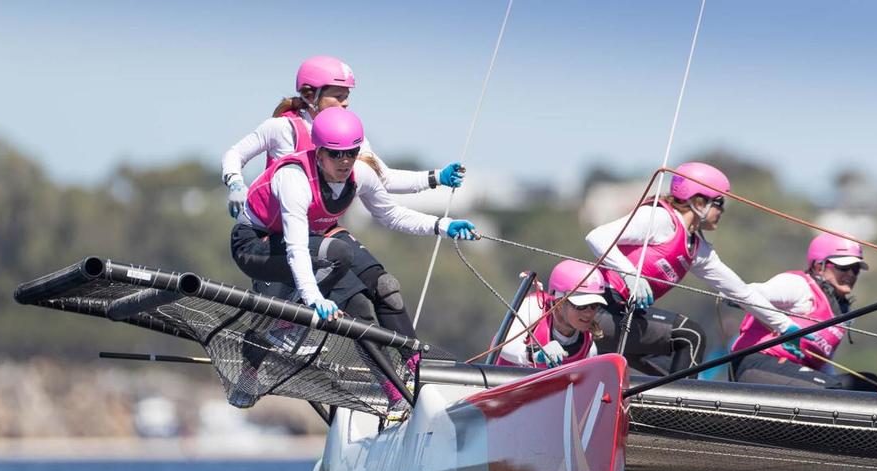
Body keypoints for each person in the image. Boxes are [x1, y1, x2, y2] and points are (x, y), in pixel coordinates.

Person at [226, 107, 476, 409]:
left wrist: (443, 225)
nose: (345, 161)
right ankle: (275, 341)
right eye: (335, 154)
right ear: (319, 153)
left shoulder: (361, 173)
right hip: (256, 244)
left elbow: (391, 214)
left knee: (364, 305)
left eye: (351, 153)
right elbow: (294, 247)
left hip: (315, 244)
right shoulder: (293, 178)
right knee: (336, 254)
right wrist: (312, 297)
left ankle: (400, 392)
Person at [585, 161, 796, 376]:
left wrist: (785, 326)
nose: (722, 210)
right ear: (698, 202)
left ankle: (665, 407)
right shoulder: (660, 219)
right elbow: (597, 237)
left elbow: (741, 292)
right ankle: (682, 407)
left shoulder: (697, 249)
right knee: (690, 335)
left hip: (627, 319)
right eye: (719, 202)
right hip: (597, 311)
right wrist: (630, 275)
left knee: (675, 369)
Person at [222, 55, 464, 219]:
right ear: (309, 95)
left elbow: (384, 179)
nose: (346, 103)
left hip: (318, 229)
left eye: (347, 96)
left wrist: (437, 178)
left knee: (381, 286)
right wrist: (235, 184)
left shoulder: (349, 136)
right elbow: (235, 154)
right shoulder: (282, 127)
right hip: (277, 229)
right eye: (338, 96)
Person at [730, 234, 877, 391]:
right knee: (832, 393)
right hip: (757, 366)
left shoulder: (842, 314)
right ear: (819, 266)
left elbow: (822, 366)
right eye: (843, 268)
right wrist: (783, 325)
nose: (851, 274)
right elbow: (741, 294)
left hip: (797, 374)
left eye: (856, 269)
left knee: (870, 385)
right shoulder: (798, 286)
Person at [497, 261, 606, 368]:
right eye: (581, 306)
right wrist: (535, 354)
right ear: (558, 302)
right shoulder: (534, 306)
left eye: (594, 305)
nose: (588, 314)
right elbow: (501, 345)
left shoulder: (589, 348)